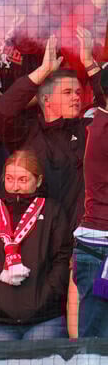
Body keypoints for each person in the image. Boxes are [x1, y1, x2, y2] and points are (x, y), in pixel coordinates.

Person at [0, 33, 103, 225]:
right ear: (46, 100)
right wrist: (43, 71)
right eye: (67, 92)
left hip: (81, 236)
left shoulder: (88, 130)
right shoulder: (26, 133)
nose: (76, 97)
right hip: (37, 236)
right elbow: (1, 112)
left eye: (78, 92)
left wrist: (89, 63)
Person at [0, 149, 72, 340]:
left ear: (38, 181)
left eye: (23, 180)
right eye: (9, 179)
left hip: (45, 318)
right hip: (0, 320)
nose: (15, 187)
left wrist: (46, 296)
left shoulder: (52, 211)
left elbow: (62, 259)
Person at [75, 92, 108, 338]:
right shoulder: (103, 130)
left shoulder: (97, 121)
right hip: (100, 251)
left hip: (96, 248)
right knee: (97, 344)